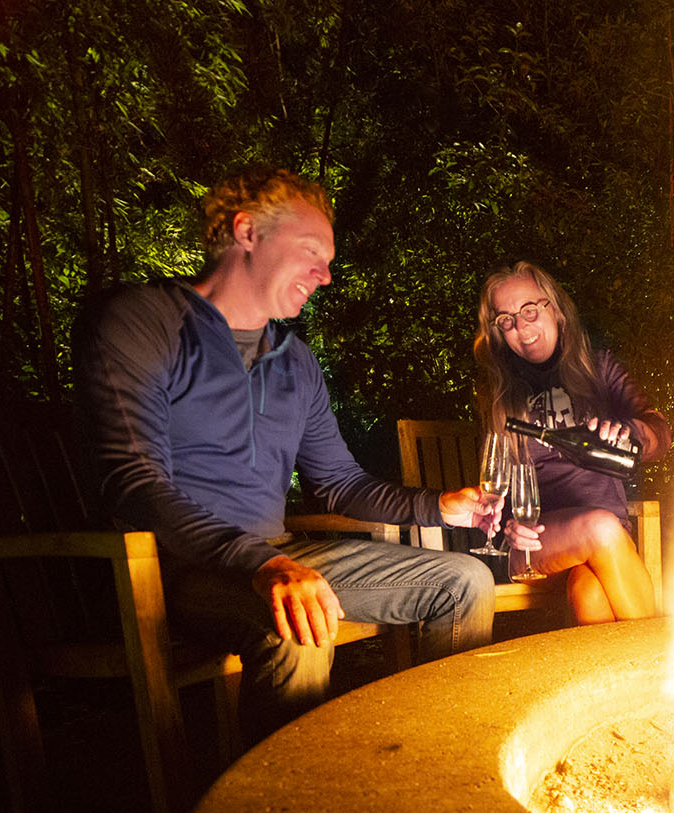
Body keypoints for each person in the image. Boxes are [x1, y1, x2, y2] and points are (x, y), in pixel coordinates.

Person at [75, 165, 532, 730]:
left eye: (330, 260)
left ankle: (443, 752)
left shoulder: (295, 363)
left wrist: (438, 505)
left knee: (463, 581)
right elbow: (136, 481)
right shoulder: (143, 321)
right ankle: (280, 812)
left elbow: (340, 482)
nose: (326, 275)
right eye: (313, 251)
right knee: (297, 623)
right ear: (246, 232)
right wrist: (263, 562)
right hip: (173, 564)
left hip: (280, 555)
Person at [473, 261, 668, 623]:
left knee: (588, 591)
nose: (521, 326)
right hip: (533, 544)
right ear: (499, 332)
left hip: (606, 546)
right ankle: (667, 664)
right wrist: (506, 524)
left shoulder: (601, 370)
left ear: (556, 309)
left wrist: (633, 432)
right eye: (506, 320)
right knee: (601, 526)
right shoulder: (499, 395)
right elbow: (490, 492)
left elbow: (660, 435)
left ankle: (630, 679)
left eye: (530, 310)